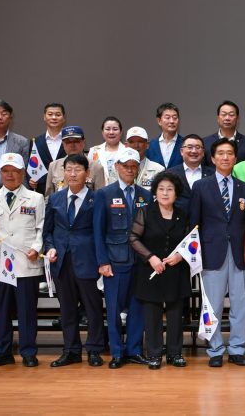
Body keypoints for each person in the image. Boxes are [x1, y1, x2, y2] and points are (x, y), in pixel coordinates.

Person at [0, 152, 45, 368]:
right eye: (5, 171)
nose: (10, 175)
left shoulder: (36, 198)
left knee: (27, 311)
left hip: (26, 262)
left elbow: (41, 229)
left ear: (23, 173)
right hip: (0, 264)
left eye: (15, 171)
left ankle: (28, 351)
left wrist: (36, 249)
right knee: (3, 310)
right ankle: (2, 351)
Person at [189, 138, 245, 367]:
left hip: (239, 254)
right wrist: (195, 256)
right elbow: (194, 224)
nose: (225, 157)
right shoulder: (201, 186)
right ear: (213, 158)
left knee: (240, 305)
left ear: (235, 158)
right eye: (221, 153)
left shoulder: (244, 188)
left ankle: (237, 349)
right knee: (212, 306)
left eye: (229, 153)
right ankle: (215, 350)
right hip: (211, 253)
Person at [93, 147, 153, 369]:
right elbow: (98, 231)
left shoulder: (146, 195)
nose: (129, 170)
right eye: (125, 166)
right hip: (115, 261)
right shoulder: (104, 194)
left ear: (138, 168)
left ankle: (135, 350)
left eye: (133, 166)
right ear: (117, 167)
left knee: (138, 309)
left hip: (140, 262)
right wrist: (102, 261)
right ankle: (117, 352)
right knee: (114, 310)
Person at [43, 153, 105, 367]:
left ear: (87, 173)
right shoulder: (55, 198)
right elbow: (48, 231)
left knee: (93, 308)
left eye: (78, 169)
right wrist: (50, 247)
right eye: (69, 169)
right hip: (61, 262)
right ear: (63, 173)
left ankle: (95, 350)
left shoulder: (97, 198)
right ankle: (71, 350)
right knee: (67, 309)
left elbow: (101, 232)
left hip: (88, 260)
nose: (72, 174)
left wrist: (102, 261)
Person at [129, 171, 192, 369]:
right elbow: (133, 238)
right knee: (152, 315)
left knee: (175, 315)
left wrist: (180, 255)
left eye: (170, 189)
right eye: (161, 189)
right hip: (151, 270)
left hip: (176, 270)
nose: (165, 193)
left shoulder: (183, 214)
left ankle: (175, 353)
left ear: (176, 193)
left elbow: (191, 241)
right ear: (155, 192)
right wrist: (151, 257)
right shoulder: (146, 212)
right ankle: (154, 354)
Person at [45, 126, 106, 196]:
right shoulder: (54, 166)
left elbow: (100, 196)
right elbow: (48, 197)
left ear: (83, 142)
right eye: (68, 142)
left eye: (76, 141)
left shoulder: (96, 167)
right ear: (63, 144)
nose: (72, 145)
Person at [28, 102, 67, 194]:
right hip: (41, 189)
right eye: (50, 114)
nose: (54, 117)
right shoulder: (35, 141)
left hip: (66, 188)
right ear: (44, 117)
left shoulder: (70, 140)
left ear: (64, 118)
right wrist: (30, 179)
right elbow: (31, 164)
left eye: (58, 114)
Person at [170, 134, 213, 214]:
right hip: (178, 220)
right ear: (181, 151)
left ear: (203, 152)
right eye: (189, 147)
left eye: (198, 147)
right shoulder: (170, 174)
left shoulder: (213, 174)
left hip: (206, 219)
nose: (194, 151)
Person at [202, 101, 245, 166]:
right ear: (218, 118)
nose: (227, 118)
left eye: (231, 115)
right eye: (223, 114)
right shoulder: (205, 142)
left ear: (237, 119)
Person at [146, 103, 183, 169]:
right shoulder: (151, 145)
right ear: (159, 121)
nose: (172, 121)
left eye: (175, 118)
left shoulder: (185, 144)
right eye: (167, 118)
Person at [88, 116, 124, 184]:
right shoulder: (94, 151)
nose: (111, 132)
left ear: (121, 132)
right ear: (102, 132)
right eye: (107, 129)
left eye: (115, 129)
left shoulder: (128, 151)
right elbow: (89, 174)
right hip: (99, 189)